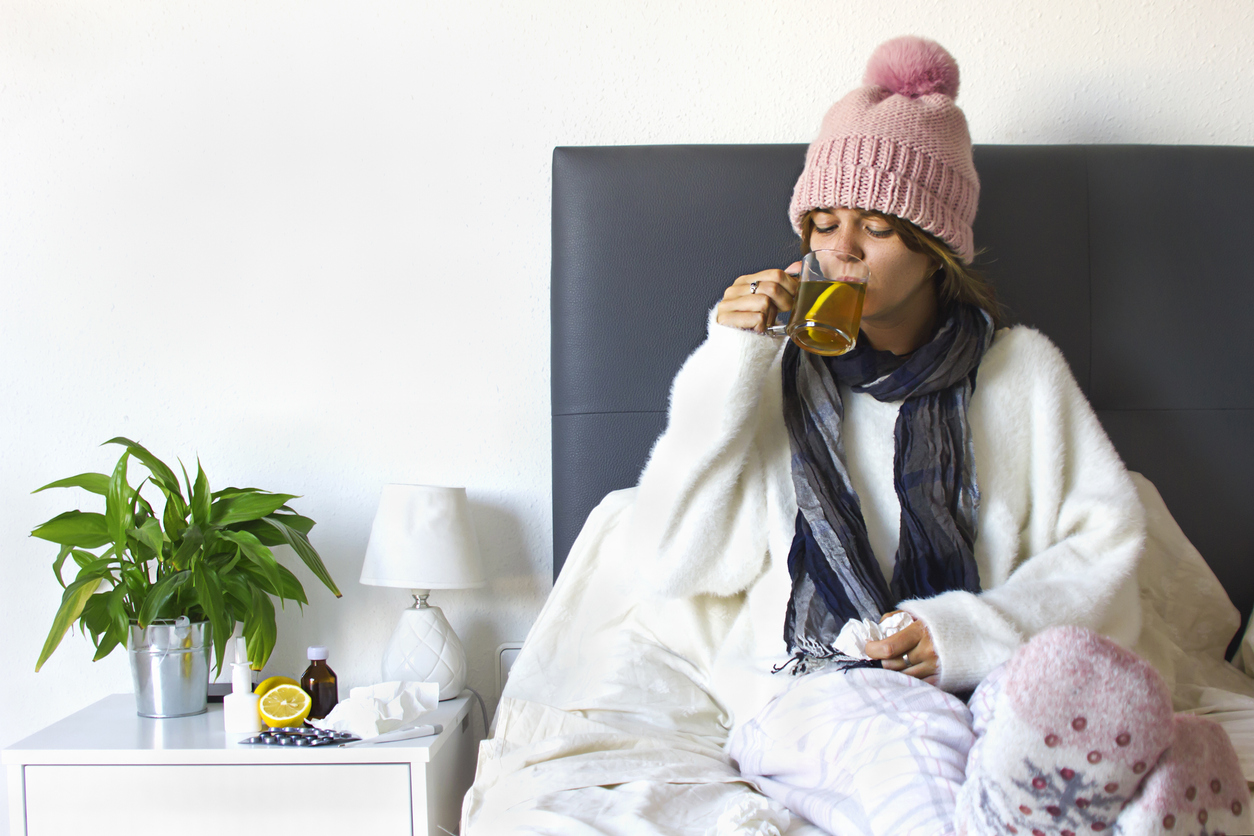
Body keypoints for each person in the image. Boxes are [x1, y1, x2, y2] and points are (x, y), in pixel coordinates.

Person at [627, 35, 1251, 836]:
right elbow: (671, 555)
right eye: (822, 223)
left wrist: (964, 634)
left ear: (936, 250)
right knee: (924, 747)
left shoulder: (1020, 373)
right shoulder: (766, 374)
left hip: (980, 667)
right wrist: (728, 362)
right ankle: (1086, 813)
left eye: (875, 228)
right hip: (819, 684)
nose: (838, 251)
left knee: (1054, 704)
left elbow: (1105, 546)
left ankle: (1118, 799)